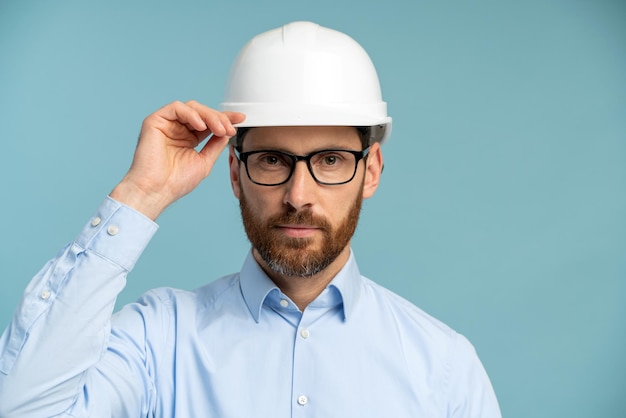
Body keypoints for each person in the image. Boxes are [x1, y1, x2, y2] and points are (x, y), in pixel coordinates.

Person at [0, 21, 501, 417]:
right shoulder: (159, 340)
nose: (298, 195)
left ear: (369, 172)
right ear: (235, 173)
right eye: (272, 160)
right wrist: (140, 194)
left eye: (329, 160)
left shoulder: (445, 366)